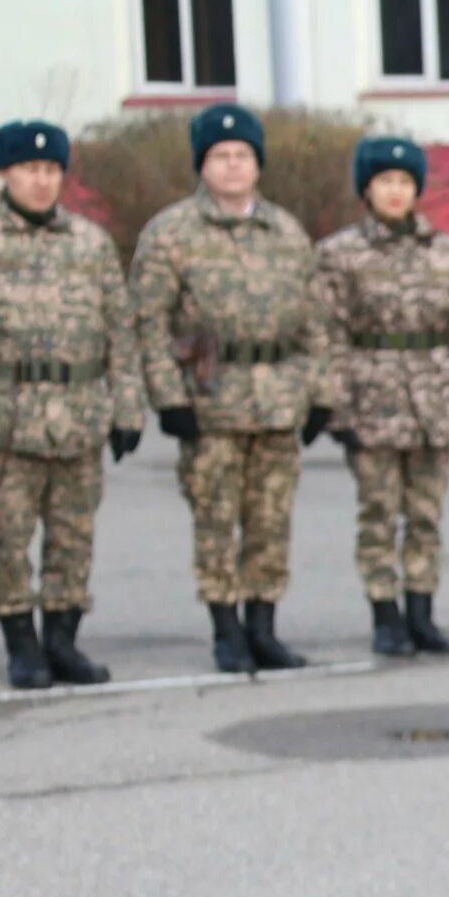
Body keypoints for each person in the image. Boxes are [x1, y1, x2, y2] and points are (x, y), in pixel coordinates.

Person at [0, 118, 139, 687]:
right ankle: (22, 645)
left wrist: (127, 408)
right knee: (8, 538)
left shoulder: (89, 243)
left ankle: (63, 641)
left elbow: (118, 329)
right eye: (28, 170)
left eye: (50, 170)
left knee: (73, 537)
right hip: (2, 419)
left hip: (78, 416)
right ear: (4, 173)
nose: (41, 181)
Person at [132, 103, 337, 675]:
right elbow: (147, 322)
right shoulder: (172, 233)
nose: (231, 166)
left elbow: (315, 322)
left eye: (242, 155)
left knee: (271, 519)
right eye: (220, 156)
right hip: (209, 400)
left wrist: (320, 392)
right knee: (216, 519)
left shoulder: (286, 232)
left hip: (276, 398)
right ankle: (226, 630)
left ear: (258, 164)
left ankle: (264, 627)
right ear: (202, 164)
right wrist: (168, 399)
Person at [316, 135, 449, 656]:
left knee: (426, 513)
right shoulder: (339, 254)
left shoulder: (444, 251)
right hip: (373, 397)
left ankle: (422, 612)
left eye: (404, 182)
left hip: (434, 397)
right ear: (366, 190)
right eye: (384, 182)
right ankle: (384, 613)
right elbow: (327, 334)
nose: (395, 192)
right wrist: (336, 403)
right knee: (378, 511)